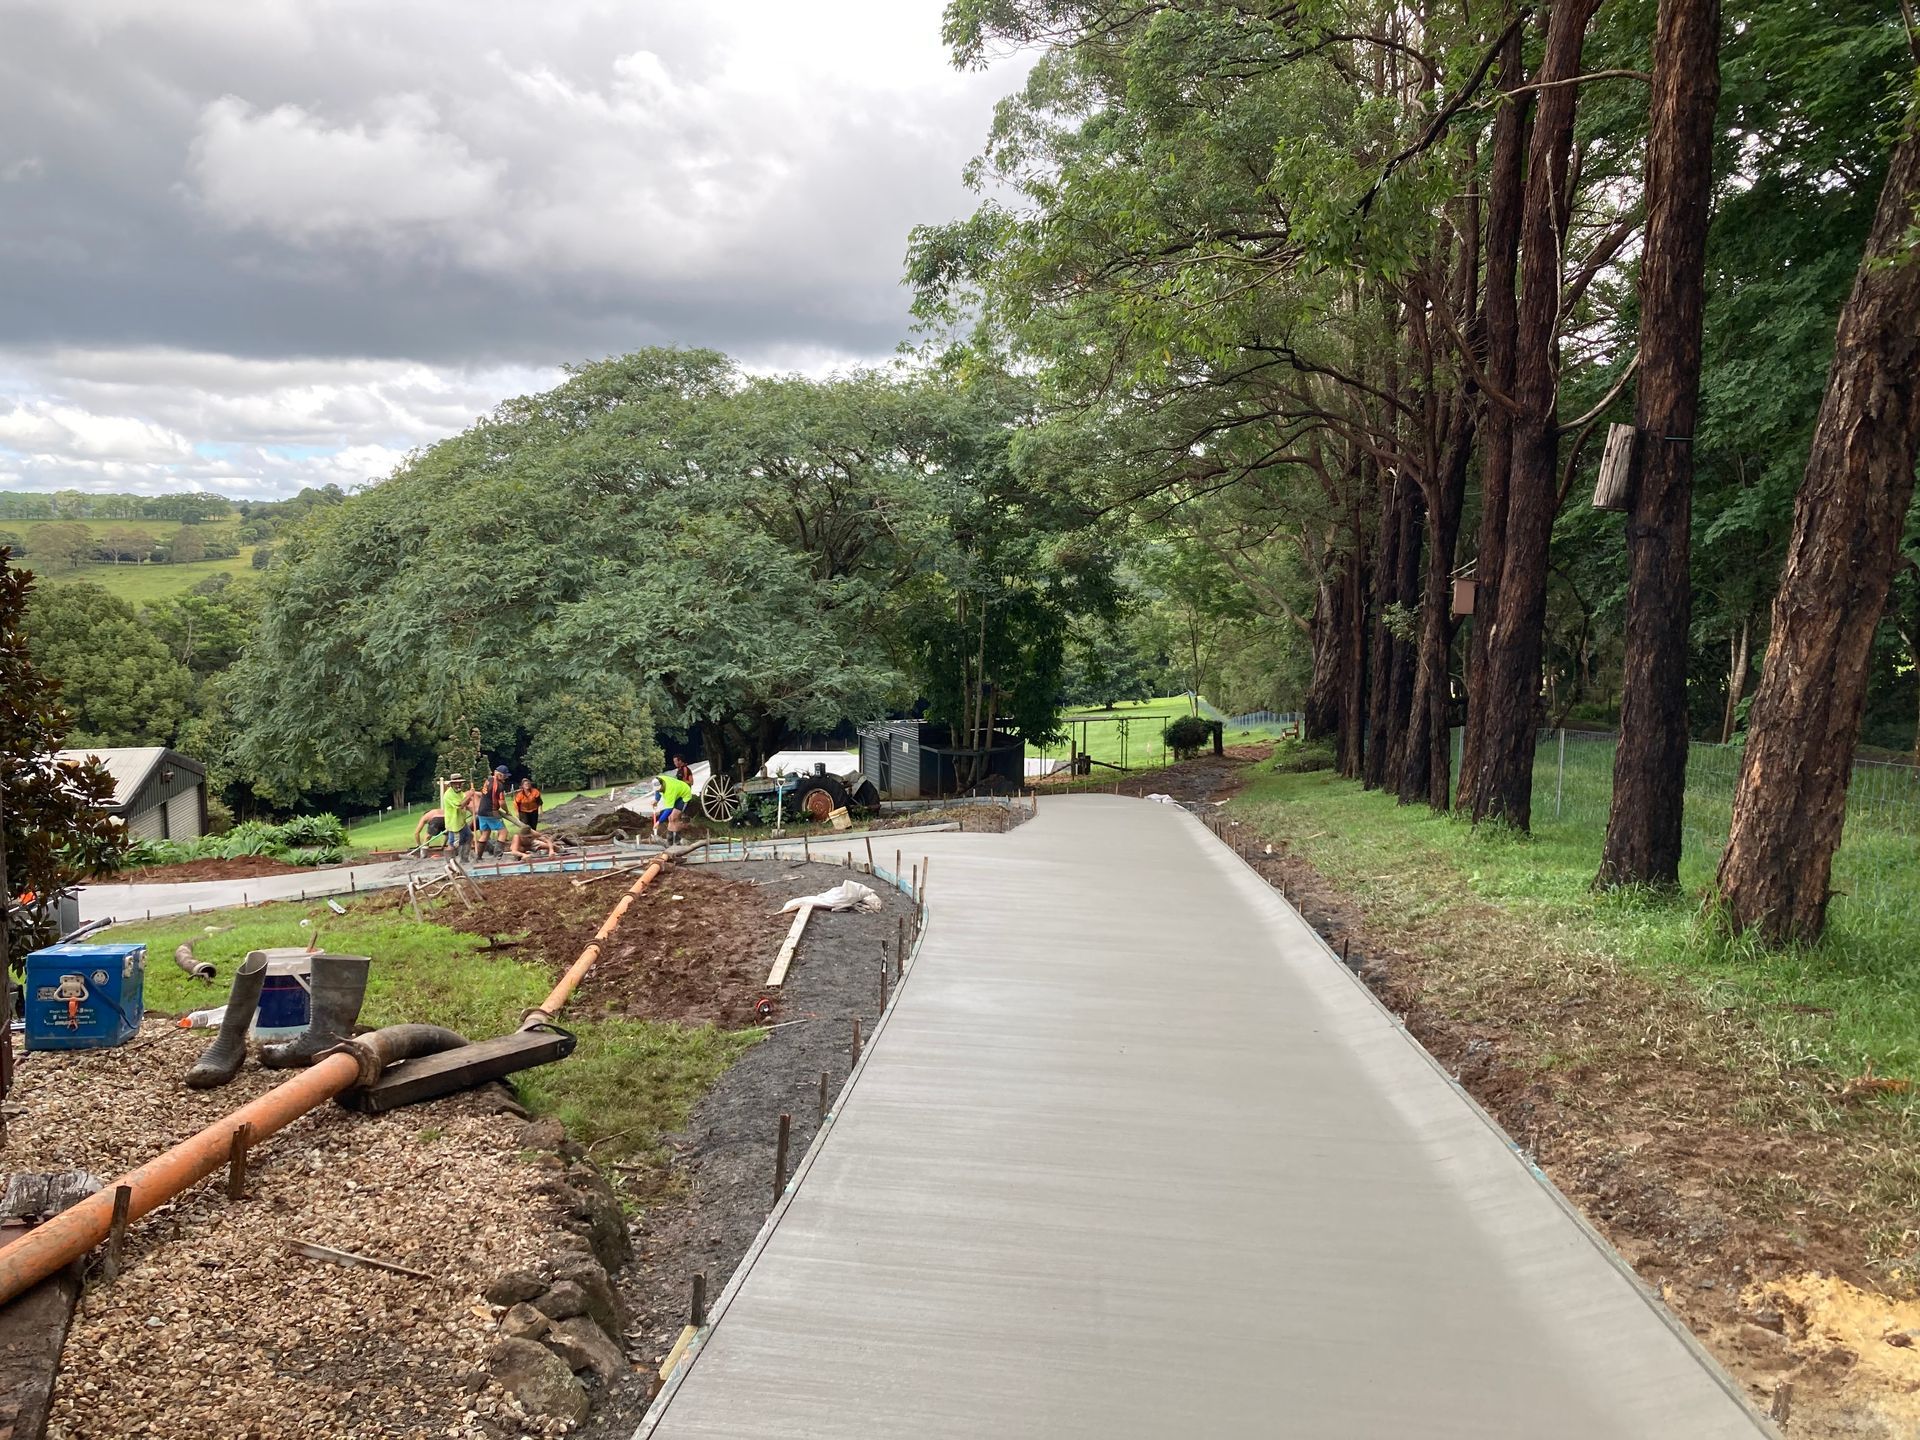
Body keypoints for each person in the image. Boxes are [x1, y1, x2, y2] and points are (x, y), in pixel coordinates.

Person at [472, 765, 511, 858]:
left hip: (481, 811)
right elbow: (501, 802)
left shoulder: (488, 780)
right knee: (503, 832)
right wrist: (507, 811)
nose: (506, 778)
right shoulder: (499, 786)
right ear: (500, 775)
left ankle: (478, 855)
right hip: (491, 811)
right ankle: (498, 855)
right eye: (505, 776)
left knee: (485, 833)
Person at [652, 769, 694, 842]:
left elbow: (669, 809)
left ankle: (677, 840)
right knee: (670, 818)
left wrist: (659, 822)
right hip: (677, 794)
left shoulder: (669, 790)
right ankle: (670, 840)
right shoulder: (658, 780)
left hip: (684, 795)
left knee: (674, 817)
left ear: (662, 784)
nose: (658, 790)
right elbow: (658, 791)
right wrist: (656, 800)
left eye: (659, 788)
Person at [439, 774, 471, 858]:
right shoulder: (448, 795)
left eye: (459, 783)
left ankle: (464, 857)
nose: (458, 785)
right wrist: (470, 795)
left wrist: (472, 808)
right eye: (456, 783)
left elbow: (466, 803)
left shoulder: (460, 793)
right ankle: (450, 859)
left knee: (469, 836)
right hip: (454, 823)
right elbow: (459, 806)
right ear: (451, 784)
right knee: (453, 843)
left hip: (461, 822)